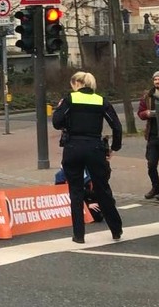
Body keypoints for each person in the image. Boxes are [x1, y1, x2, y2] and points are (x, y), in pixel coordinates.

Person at [52, 71, 123, 244]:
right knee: (102, 188)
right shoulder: (101, 100)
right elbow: (117, 126)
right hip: (94, 148)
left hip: (73, 147)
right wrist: (114, 147)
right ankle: (116, 229)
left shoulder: (70, 99)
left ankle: (79, 235)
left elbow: (56, 122)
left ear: (77, 83)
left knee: (75, 191)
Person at [136, 70, 159, 200]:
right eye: (155, 79)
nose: (157, 82)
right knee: (151, 164)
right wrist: (147, 113)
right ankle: (155, 186)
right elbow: (140, 113)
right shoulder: (148, 96)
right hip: (152, 135)